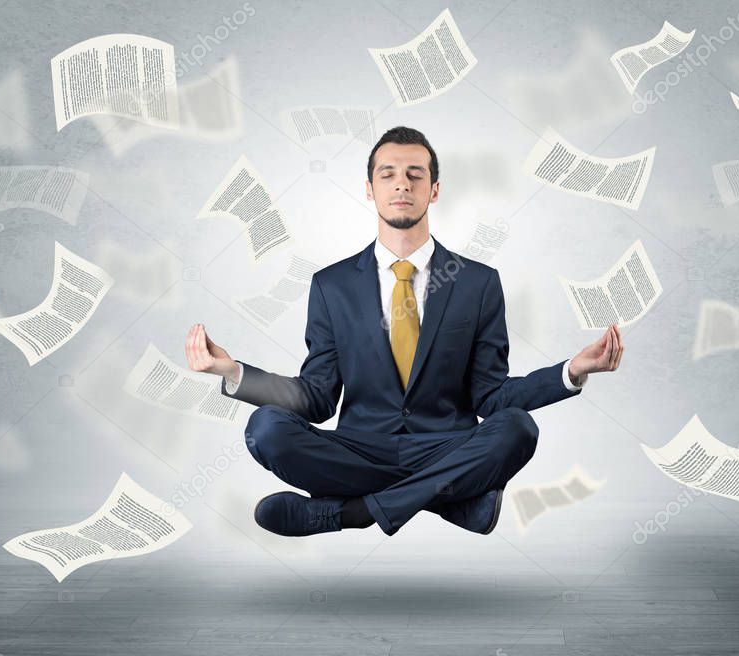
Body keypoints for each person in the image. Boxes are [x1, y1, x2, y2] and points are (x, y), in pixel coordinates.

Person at [184, 126, 623, 537]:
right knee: (266, 428)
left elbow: (490, 399)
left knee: (518, 429)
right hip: (359, 450)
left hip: (446, 446)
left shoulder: (478, 282)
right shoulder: (331, 285)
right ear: (369, 189)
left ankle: (347, 513)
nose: (401, 185)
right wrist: (233, 372)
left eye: (415, 175)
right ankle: (450, 501)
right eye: (388, 174)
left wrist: (572, 370)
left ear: (433, 190)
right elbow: (316, 399)